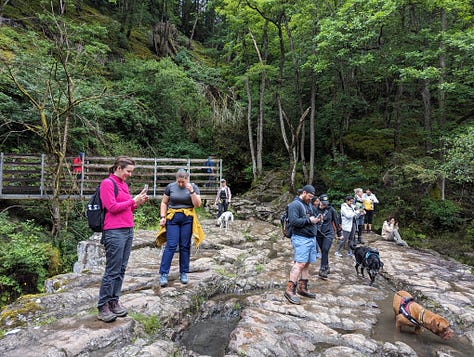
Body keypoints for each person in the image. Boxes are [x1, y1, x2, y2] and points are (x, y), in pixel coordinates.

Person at [97, 156, 149, 323]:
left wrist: (137, 202)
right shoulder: (107, 184)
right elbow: (111, 207)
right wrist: (132, 201)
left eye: (131, 172)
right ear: (118, 168)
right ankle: (103, 305)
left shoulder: (123, 185)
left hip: (127, 230)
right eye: (128, 171)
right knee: (112, 269)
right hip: (114, 231)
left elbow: (128, 207)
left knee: (122, 268)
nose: (130, 174)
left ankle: (114, 301)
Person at [158, 169, 203, 287]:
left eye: (183, 182)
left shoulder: (193, 187)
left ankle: (184, 272)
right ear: (176, 179)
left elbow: (197, 204)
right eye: (179, 182)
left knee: (185, 245)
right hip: (172, 218)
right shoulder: (170, 187)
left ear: (187, 179)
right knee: (171, 245)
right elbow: (164, 202)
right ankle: (163, 274)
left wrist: (191, 191)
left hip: (187, 218)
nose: (180, 184)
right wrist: (163, 217)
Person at [284, 185, 322, 305]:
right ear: (304, 192)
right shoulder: (295, 205)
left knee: (306, 264)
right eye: (309, 196)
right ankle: (289, 290)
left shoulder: (308, 204)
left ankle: (302, 288)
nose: (310, 199)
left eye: (312, 197)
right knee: (299, 263)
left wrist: (317, 219)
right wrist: (310, 221)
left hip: (311, 238)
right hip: (300, 238)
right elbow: (294, 221)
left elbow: (309, 218)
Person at [313, 193, 342, 279]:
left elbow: (336, 222)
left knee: (325, 249)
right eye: (323, 202)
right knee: (323, 251)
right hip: (318, 233)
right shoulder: (314, 209)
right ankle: (327, 266)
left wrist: (339, 234)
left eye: (326, 202)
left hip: (329, 233)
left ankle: (322, 269)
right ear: (319, 201)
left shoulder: (331, 210)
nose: (325, 204)